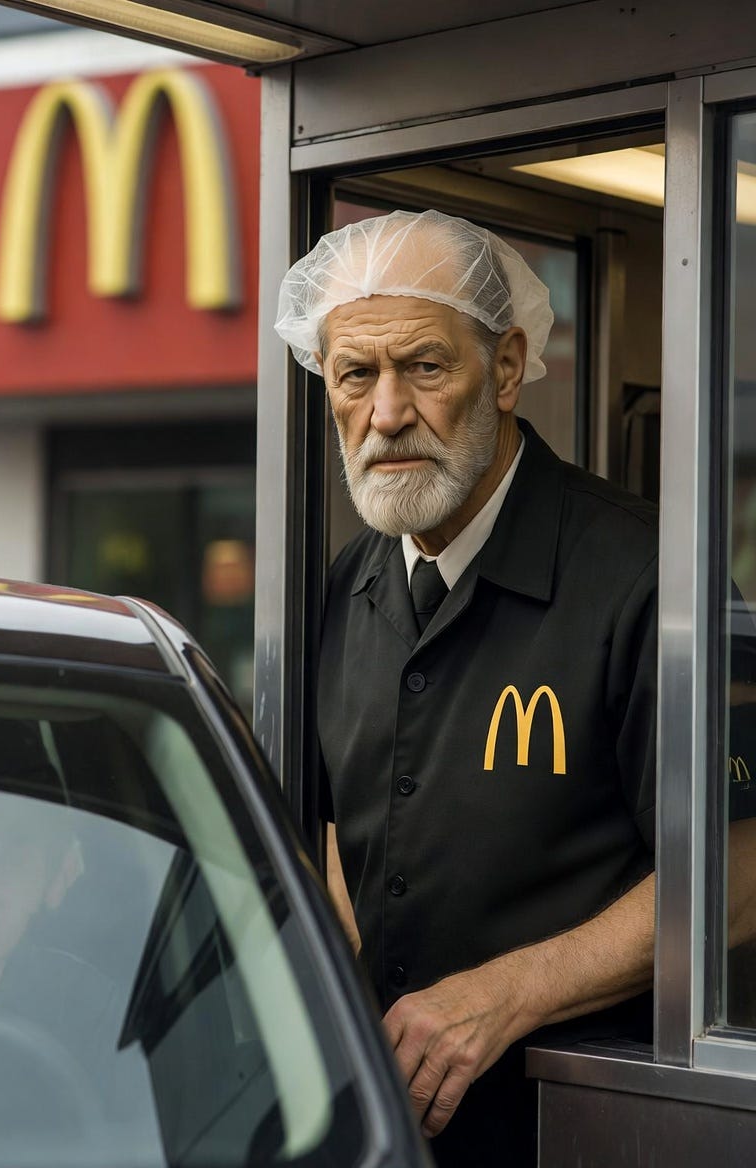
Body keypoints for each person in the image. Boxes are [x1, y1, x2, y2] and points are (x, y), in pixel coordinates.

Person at [274, 208, 654, 1166]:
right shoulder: (336, 588)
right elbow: (328, 842)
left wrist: (510, 991)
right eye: (355, 375)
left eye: (426, 367)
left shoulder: (645, 576)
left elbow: (738, 874)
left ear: (510, 367)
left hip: (585, 1131)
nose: (387, 412)